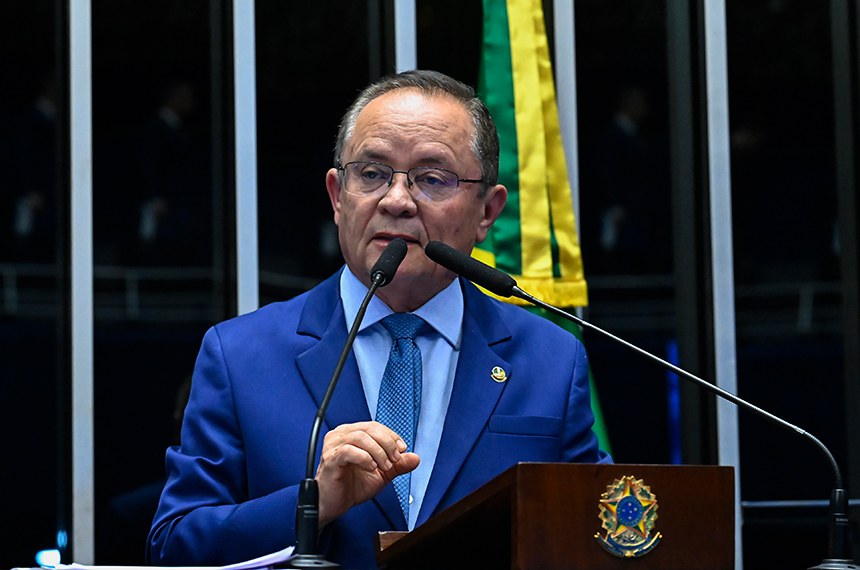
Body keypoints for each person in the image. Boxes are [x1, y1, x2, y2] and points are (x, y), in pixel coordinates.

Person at [146, 69, 611, 569]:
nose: (396, 201)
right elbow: (175, 547)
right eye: (372, 174)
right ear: (337, 197)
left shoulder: (550, 359)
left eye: (432, 179)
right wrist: (315, 503)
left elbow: (596, 530)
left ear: (487, 211)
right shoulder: (241, 355)